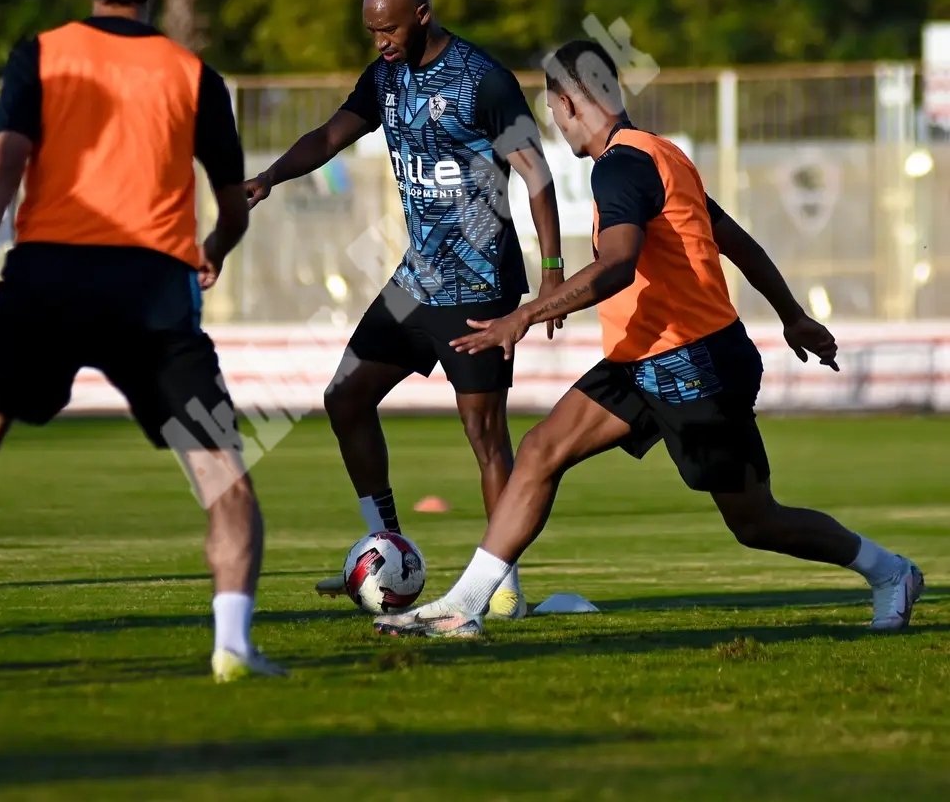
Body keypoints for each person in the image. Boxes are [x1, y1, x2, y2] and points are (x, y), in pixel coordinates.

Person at [376, 37, 925, 638]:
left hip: (697, 362)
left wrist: (523, 316)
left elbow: (615, 266)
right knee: (540, 450)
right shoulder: (660, 154)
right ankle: (467, 605)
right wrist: (792, 314)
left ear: (568, 105)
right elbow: (732, 237)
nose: (556, 127)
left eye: (553, 113)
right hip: (644, 357)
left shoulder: (620, 166)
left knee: (757, 522)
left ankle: (890, 571)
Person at [0, 0, 283, 681]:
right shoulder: (193, 75)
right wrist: (214, 248)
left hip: (50, 274)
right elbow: (235, 196)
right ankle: (232, 644)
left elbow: (2, 171)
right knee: (220, 470)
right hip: (153, 287)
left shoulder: (42, 54)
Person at [245, 0, 563, 619]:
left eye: (388, 29)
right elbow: (333, 134)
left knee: (485, 434)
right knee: (345, 396)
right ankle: (385, 541)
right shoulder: (384, 76)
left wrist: (553, 270)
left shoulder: (483, 80)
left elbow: (534, 170)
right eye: (371, 31)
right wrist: (271, 176)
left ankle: (503, 586)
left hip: (479, 284)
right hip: (415, 280)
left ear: (422, 14)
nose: (380, 41)